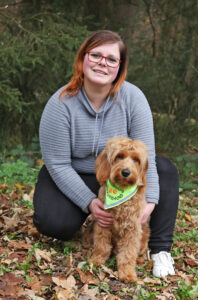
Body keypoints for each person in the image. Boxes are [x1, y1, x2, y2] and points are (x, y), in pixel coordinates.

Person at [33, 30, 179, 278]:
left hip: (121, 175)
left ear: (119, 67)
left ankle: (160, 250)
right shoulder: (60, 103)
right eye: (96, 55)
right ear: (83, 59)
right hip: (75, 173)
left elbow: (147, 156)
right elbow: (57, 163)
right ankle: (86, 227)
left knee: (165, 170)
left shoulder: (134, 98)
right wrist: (91, 202)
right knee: (54, 223)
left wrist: (149, 202)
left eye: (112, 59)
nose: (103, 63)